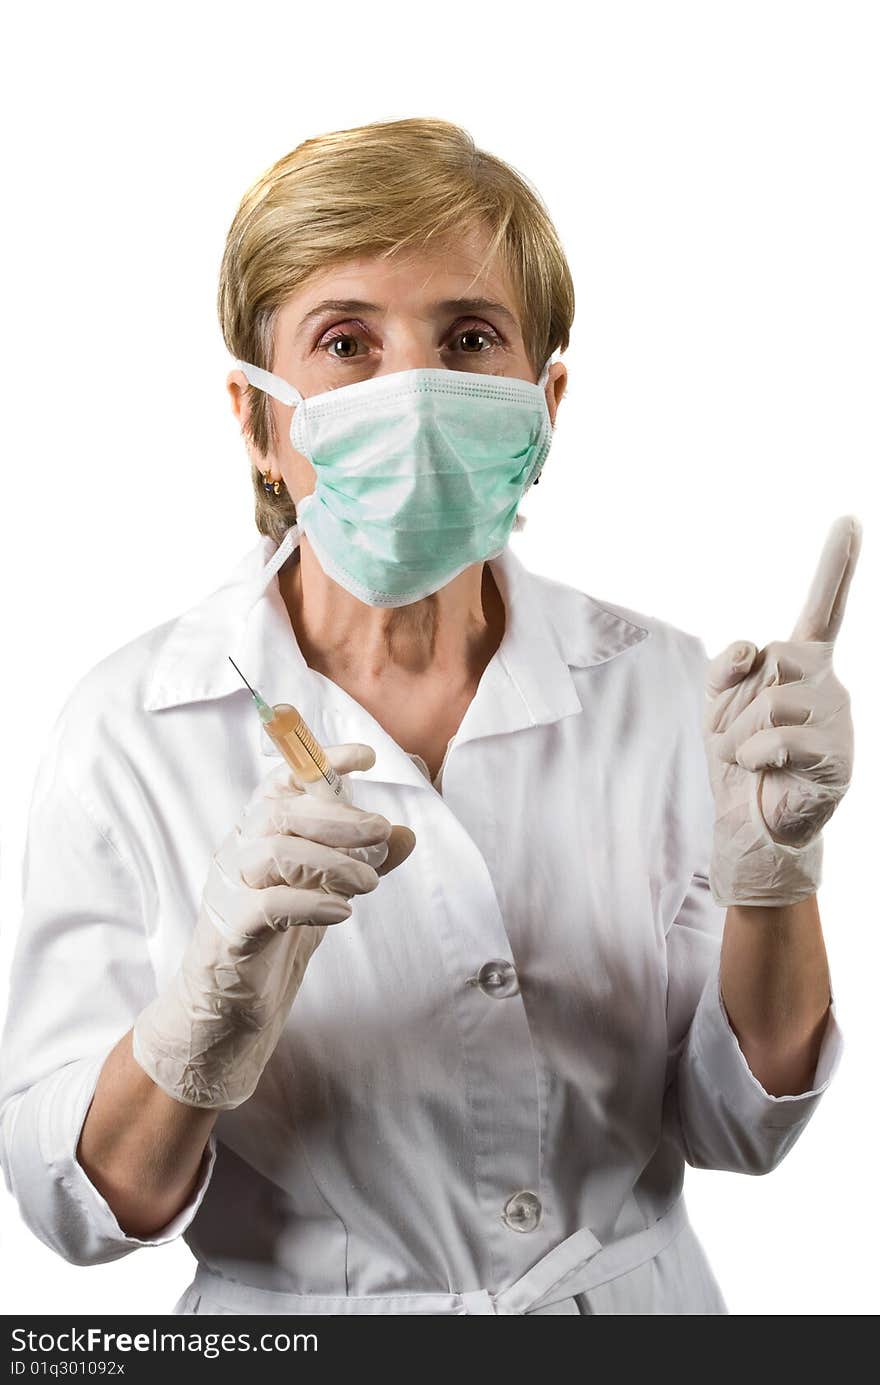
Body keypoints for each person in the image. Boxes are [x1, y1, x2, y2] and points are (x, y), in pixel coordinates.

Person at [0, 116, 858, 1316]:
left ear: (543, 401)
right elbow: (78, 1206)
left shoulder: (666, 686)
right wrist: (202, 1022)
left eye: (467, 338)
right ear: (257, 423)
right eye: (345, 342)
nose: (412, 393)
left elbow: (742, 1121)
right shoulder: (129, 729)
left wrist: (775, 878)